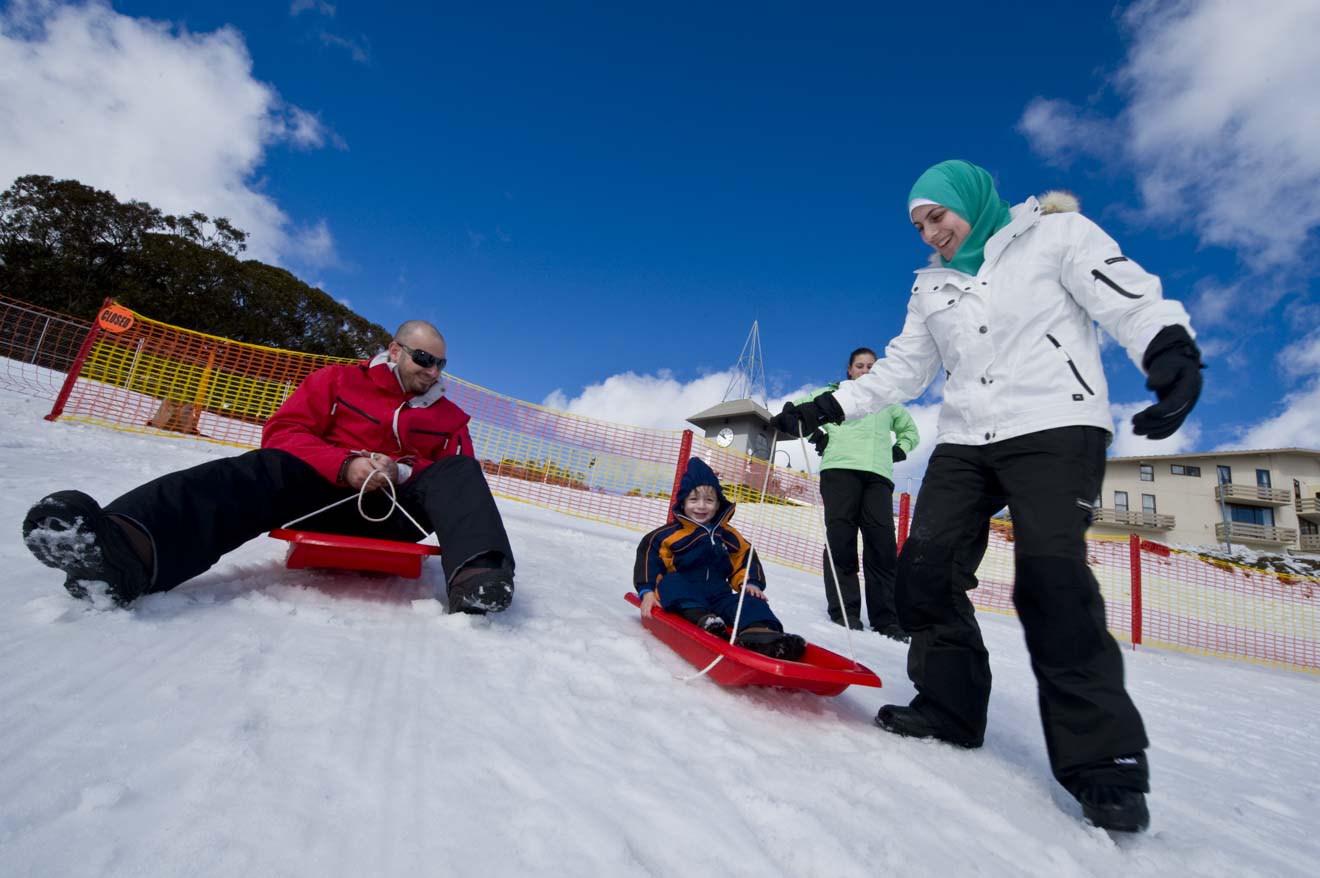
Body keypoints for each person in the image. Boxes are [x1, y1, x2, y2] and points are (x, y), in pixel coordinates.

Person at [772, 160, 1204, 833]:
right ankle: (950, 706)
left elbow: (1129, 297)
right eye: (920, 227)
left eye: (938, 217)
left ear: (973, 201)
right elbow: (902, 372)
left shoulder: (1057, 238)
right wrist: (828, 406)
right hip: (968, 436)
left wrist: (1169, 349)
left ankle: (1104, 762)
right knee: (924, 570)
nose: (931, 234)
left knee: (1051, 578)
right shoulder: (930, 288)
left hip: (1056, 424)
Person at [22, 320, 516, 614]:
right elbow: (284, 431)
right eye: (424, 358)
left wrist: (403, 472)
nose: (432, 371)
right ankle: (125, 551)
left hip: (396, 514)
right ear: (395, 350)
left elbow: (457, 477)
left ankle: (478, 580)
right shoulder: (338, 382)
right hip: (318, 498)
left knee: (460, 472)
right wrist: (345, 464)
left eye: (440, 364)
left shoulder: (450, 417)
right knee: (263, 467)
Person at [798, 346, 919, 640]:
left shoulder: (887, 402)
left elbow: (911, 432)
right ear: (849, 370)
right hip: (840, 469)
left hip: (878, 475)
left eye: (870, 367)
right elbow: (799, 410)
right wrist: (818, 434)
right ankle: (845, 610)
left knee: (882, 544)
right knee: (841, 537)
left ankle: (887, 619)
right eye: (860, 366)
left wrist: (899, 450)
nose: (865, 371)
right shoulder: (835, 395)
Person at [634, 457, 806, 661]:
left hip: (719, 596)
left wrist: (750, 582)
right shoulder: (667, 535)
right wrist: (647, 591)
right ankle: (702, 619)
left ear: (718, 504)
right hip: (685, 595)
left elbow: (744, 556)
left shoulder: (727, 534)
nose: (701, 506)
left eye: (709, 500)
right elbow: (649, 557)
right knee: (671, 583)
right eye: (693, 499)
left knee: (749, 601)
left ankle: (761, 634)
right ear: (683, 502)